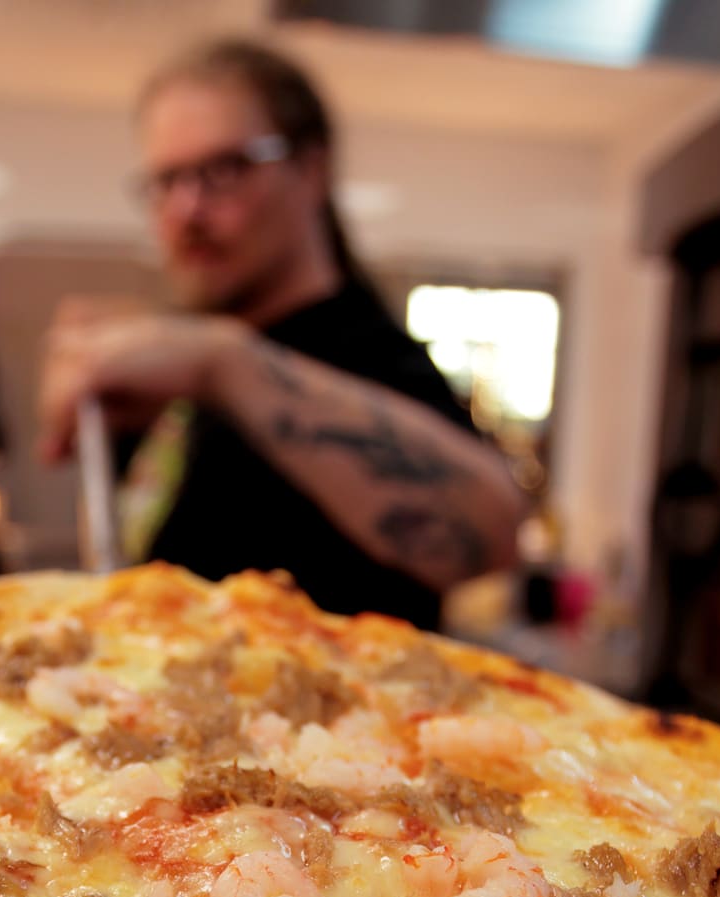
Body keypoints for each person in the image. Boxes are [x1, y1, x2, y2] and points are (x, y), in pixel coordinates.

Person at [38, 38, 525, 629]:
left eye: (224, 170)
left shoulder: (361, 352)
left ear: (312, 170)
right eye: (167, 181)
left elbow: (496, 538)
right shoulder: (193, 362)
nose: (187, 210)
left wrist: (224, 363)